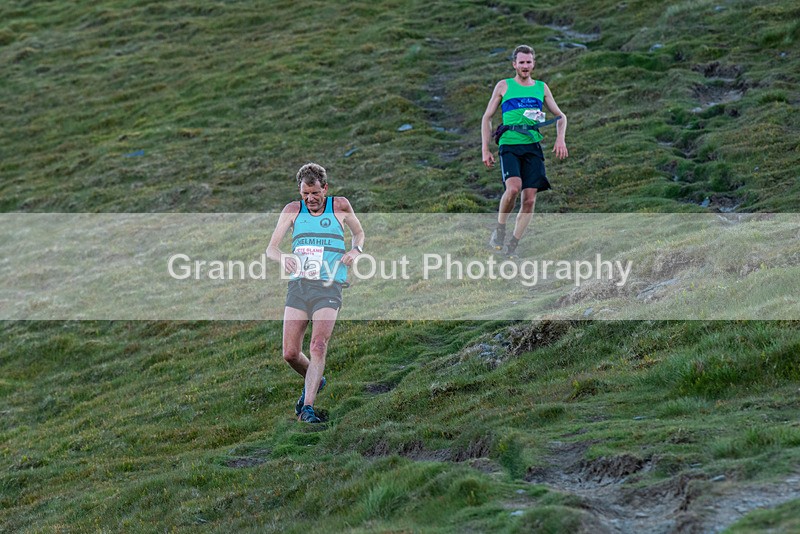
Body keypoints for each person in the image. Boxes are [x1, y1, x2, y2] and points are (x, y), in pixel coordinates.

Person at [266, 163, 365, 423]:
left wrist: (356, 251)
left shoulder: (340, 206)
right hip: (299, 285)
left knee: (318, 345)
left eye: (315, 193)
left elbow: (359, 233)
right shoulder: (292, 210)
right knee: (290, 353)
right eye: (305, 194)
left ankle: (307, 408)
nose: (310, 199)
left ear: (325, 189)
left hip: (329, 286)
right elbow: (271, 249)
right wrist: (283, 257)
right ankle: (315, 378)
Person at [481, 44, 569, 258]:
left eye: (529, 62)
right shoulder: (504, 86)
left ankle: (512, 247)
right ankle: (500, 230)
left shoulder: (541, 87)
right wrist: (485, 148)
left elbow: (561, 116)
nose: (525, 66)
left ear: (533, 64)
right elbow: (487, 117)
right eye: (521, 62)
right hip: (509, 144)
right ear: (514, 64)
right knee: (513, 189)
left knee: (529, 200)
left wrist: (560, 139)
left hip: (532, 146)